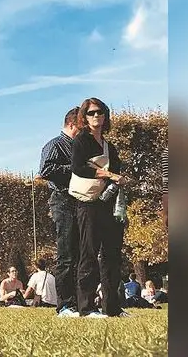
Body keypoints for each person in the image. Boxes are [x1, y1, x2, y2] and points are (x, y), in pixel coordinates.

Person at [71, 97, 128, 318]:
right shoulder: (81, 141)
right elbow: (78, 168)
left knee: (112, 253)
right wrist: (107, 174)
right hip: (87, 203)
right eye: (92, 113)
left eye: (100, 112)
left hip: (106, 201)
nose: (97, 116)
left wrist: (119, 179)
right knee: (89, 252)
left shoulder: (108, 145)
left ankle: (112, 307)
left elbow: (117, 169)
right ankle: (86, 307)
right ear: (84, 117)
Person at [39, 106, 82, 317]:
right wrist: (74, 167)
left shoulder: (79, 146)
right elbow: (45, 170)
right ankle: (65, 304)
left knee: (82, 253)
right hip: (63, 199)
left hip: (80, 199)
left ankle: (80, 303)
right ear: (72, 124)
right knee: (66, 254)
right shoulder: (55, 145)